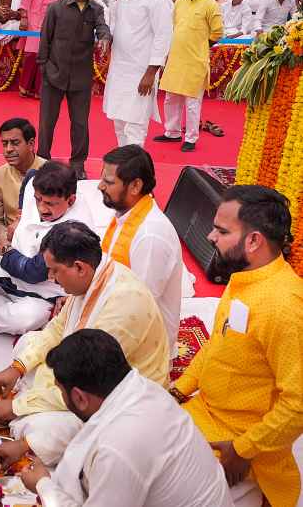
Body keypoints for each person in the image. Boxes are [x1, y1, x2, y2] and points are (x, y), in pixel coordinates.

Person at [0, 221, 170, 466]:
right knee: (28, 342)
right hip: (81, 372)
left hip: (116, 400)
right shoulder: (95, 277)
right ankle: (34, 405)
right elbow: (57, 329)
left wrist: (17, 407)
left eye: (54, 271)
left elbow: (87, 383)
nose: (50, 278)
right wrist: (17, 368)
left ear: (79, 268)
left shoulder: (124, 305)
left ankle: (32, 434)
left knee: (46, 426)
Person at [170, 186, 303, 507]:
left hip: (241, 442)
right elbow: (220, 341)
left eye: (222, 230)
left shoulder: (285, 307)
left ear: (254, 240)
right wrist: (179, 389)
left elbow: (297, 405)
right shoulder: (245, 277)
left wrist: (243, 450)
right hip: (205, 413)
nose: (211, 237)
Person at [18, 329, 233, 506]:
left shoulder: (117, 448)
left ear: (80, 398)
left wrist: (43, 485)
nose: (62, 398)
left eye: (61, 392)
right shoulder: (144, 388)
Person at [0, 161, 93, 335]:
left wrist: (5, 250)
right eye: (38, 199)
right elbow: (31, 175)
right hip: (15, 256)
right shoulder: (35, 183)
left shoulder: (72, 231)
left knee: (22, 320)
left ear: (71, 200)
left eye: (49, 204)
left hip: (44, 288)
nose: (41, 208)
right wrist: (20, 215)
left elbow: (32, 272)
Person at [98, 144, 184, 345]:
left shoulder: (150, 235)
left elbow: (138, 308)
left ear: (135, 186)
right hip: (116, 315)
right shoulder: (126, 213)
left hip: (142, 343)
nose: (100, 186)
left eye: (108, 182)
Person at [37, 0, 110, 179]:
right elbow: (44, 40)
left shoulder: (96, 10)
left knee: (80, 124)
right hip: (54, 75)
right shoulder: (56, 9)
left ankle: (78, 164)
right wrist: (45, 69)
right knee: (47, 123)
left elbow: (103, 27)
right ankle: (42, 160)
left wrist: (105, 37)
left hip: (80, 78)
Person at [103, 0, 172, 146]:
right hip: (119, 69)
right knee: (119, 123)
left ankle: (133, 173)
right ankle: (122, 170)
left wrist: (151, 72)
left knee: (135, 127)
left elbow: (164, 36)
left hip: (141, 72)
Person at [157, 0, 224, 153]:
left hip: (195, 60)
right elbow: (174, 27)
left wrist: (202, 46)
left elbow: (218, 32)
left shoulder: (211, 5)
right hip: (176, 59)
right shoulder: (179, 2)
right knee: (171, 98)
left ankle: (191, 138)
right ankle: (172, 132)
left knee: (192, 102)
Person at [17, 0, 71, 98]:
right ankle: (24, 87)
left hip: (53, 20)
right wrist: (24, 16)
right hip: (35, 17)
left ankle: (40, 91)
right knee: (33, 54)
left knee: (47, 55)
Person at [0, 118, 46, 252]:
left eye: (15, 143)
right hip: (10, 241)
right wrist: (7, 238)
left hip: (44, 239)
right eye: (4, 143)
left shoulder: (51, 172)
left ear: (31, 144)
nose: (8, 149)